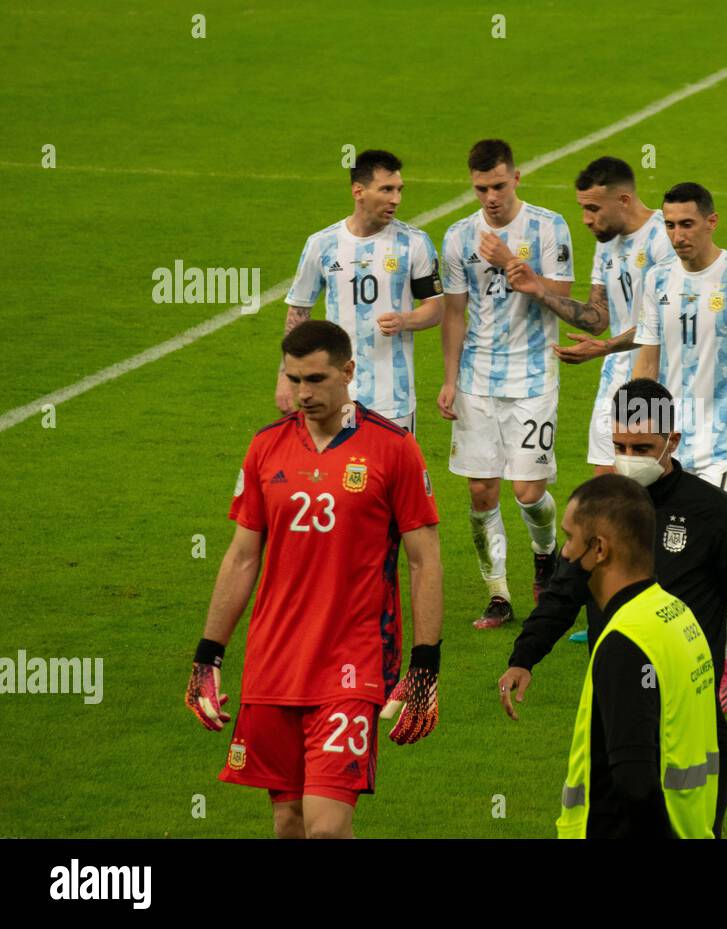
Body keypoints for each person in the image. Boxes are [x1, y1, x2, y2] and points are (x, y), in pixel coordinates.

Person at [500, 379, 727, 837]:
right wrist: (525, 656)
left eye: (642, 446)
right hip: (621, 705)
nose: (629, 458)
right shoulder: (601, 507)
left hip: (692, 718)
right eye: (620, 445)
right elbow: (565, 590)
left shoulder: (715, 516)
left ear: (673, 442)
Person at [186, 320, 445, 838]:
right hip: (273, 661)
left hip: (352, 662)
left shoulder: (393, 448)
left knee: (326, 828)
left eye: (316, 379)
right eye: (294, 379)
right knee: (289, 823)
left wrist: (425, 667)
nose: (303, 394)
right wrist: (207, 655)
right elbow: (241, 558)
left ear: (349, 372)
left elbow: (425, 560)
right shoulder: (265, 448)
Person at [507, 156, 674, 644]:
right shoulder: (608, 245)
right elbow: (598, 317)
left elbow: (659, 319)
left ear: (623, 199)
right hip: (612, 380)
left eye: (592, 209)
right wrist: (539, 289)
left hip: (653, 378)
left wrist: (605, 347)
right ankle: (606, 609)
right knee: (607, 498)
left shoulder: (665, 240)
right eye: (581, 210)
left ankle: (655, 603)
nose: (586, 220)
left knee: (645, 497)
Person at [410, 139, 575, 628]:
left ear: (517, 178)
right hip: (478, 379)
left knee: (527, 491)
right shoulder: (459, 237)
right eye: (481, 188)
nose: (491, 197)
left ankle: (545, 557)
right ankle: (498, 594)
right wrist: (448, 379)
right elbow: (455, 313)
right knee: (481, 491)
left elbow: (562, 299)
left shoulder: (549, 227)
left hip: (533, 376)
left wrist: (508, 261)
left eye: (499, 185)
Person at [633, 181, 727, 711]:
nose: (677, 235)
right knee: (664, 554)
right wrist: (635, 445)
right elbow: (647, 361)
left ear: (711, 221)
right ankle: (689, 649)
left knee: (707, 553)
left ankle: (722, 659)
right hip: (670, 444)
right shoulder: (656, 280)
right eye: (670, 225)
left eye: (687, 224)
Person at [553, 474, 719, 838]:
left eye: (569, 538)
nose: (564, 552)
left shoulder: (626, 642)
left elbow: (636, 784)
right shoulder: (677, 614)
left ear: (599, 549)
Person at [279, 149, 444, 433]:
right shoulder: (322, 244)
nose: (396, 199)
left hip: (394, 398)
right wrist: (286, 378)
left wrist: (406, 320)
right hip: (336, 393)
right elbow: (299, 312)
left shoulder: (414, 243)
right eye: (386, 189)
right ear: (358, 191)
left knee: (395, 476)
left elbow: (435, 308)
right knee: (335, 475)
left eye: (399, 190)